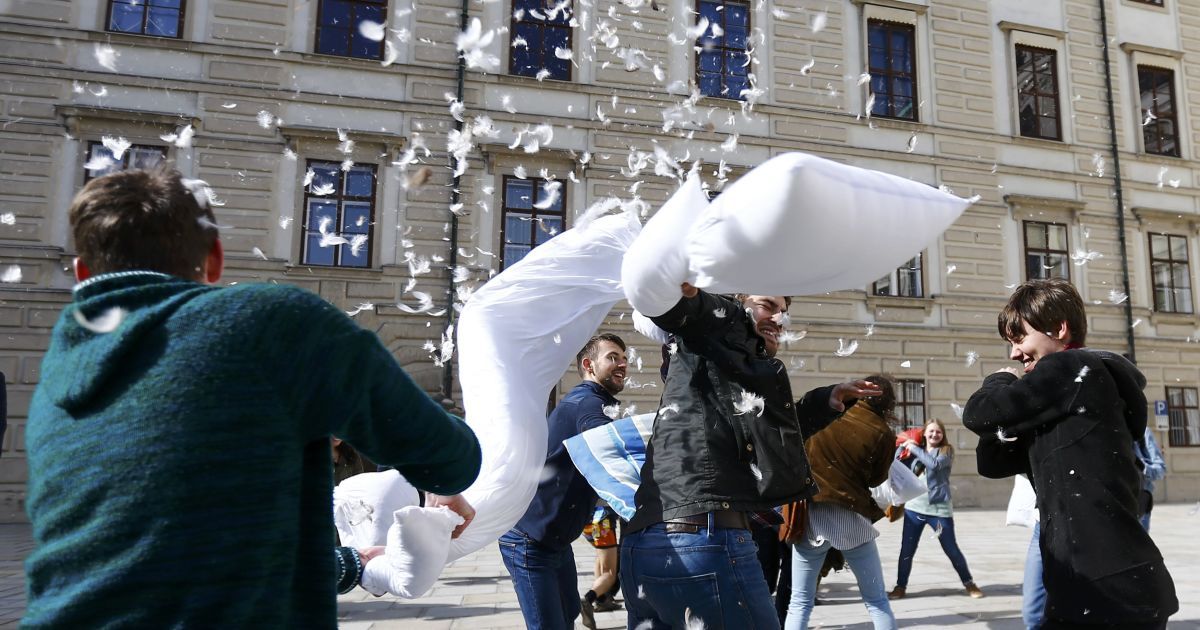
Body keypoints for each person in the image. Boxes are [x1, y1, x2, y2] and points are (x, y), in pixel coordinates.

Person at [23, 168, 482, 628]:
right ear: (215, 259)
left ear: (83, 272)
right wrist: (439, 481)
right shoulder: (272, 323)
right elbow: (451, 459)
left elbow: (165, 549)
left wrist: (351, 564)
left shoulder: (56, 386)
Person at [621, 284, 881, 629]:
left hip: (644, 546)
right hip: (706, 537)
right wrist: (680, 289)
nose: (778, 318)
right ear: (738, 301)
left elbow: (765, 433)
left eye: (783, 312)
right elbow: (683, 310)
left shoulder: (712, 366)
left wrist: (826, 400)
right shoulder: (723, 321)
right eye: (767, 305)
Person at [963, 278, 1178, 628]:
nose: (1014, 355)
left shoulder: (1076, 369)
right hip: (1087, 588)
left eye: (1019, 339)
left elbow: (980, 413)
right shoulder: (1064, 401)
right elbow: (992, 462)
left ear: (1059, 329)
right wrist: (1008, 416)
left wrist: (999, 381)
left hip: (1111, 590)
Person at [499, 333, 628, 630]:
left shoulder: (594, 402)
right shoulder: (588, 404)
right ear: (588, 365)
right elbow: (612, 454)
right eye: (612, 357)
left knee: (568, 614)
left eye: (624, 358)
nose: (622, 364)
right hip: (528, 541)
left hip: (554, 541)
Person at [784, 374, 898, 630]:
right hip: (850, 516)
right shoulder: (882, 432)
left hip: (810, 515)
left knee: (799, 602)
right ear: (888, 402)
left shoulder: (827, 413)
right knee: (877, 601)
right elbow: (876, 479)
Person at [888, 419, 983, 601]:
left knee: (951, 549)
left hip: (939, 510)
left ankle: (969, 583)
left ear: (943, 435)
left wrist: (914, 448)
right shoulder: (915, 451)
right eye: (931, 431)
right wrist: (902, 447)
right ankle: (900, 587)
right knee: (906, 550)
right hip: (914, 509)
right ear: (924, 433)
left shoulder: (946, 451)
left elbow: (935, 465)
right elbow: (897, 464)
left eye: (938, 432)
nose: (934, 435)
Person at [580, 503, 622, 629]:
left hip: (587, 520)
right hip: (602, 521)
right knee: (609, 573)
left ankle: (602, 599)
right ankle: (588, 599)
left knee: (600, 556)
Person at [1134, 427, 1167, 531]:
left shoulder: (1143, 432)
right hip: (1112, 505)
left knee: (1138, 546)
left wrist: (1141, 467)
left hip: (1139, 503)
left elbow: (1160, 469)